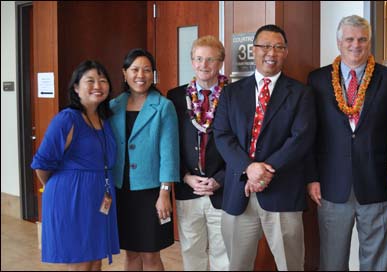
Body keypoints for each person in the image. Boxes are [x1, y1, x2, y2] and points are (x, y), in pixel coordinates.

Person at [306, 15, 387, 270]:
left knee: (376, 262)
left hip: (377, 185)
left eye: (362, 39)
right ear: (339, 43)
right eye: (349, 39)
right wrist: (313, 177)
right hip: (331, 186)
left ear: (369, 42)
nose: (356, 45)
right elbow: (311, 134)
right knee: (332, 261)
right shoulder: (317, 80)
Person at [212, 24, 316, 271]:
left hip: (283, 192)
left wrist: (264, 171)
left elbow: (300, 138)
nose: (272, 52)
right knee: (237, 265)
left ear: (286, 52)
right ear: (254, 49)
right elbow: (222, 135)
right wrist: (249, 168)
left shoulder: (301, 93)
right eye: (265, 46)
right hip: (238, 193)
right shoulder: (231, 93)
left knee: (291, 266)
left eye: (279, 47)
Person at [31, 60, 119, 271]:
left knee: (95, 259)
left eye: (103, 80)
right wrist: (61, 188)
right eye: (90, 81)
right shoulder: (67, 119)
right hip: (72, 198)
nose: (97, 85)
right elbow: (41, 164)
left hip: (99, 196)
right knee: (81, 263)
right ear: (76, 88)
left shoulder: (104, 119)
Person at [110, 48, 180, 271]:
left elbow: (169, 154)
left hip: (152, 192)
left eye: (147, 70)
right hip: (122, 191)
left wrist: (164, 193)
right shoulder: (113, 106)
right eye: (135, 69)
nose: (141, 75)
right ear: (124, 73)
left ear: (154, 75)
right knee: (130, 254)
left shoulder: (163, 106)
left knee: (150, 255)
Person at [167, 35, 229, 271]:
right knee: (192, 250)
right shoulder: (174, 96)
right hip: (188, 188)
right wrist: (184, 175)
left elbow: (241, 144)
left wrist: (219, 179)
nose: (204, 65)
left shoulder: (233, 95)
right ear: (192, 62)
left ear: (220, 62)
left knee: (223, 252)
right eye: (199, 59)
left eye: (210, 60)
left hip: (222, 189)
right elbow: (170, 142)